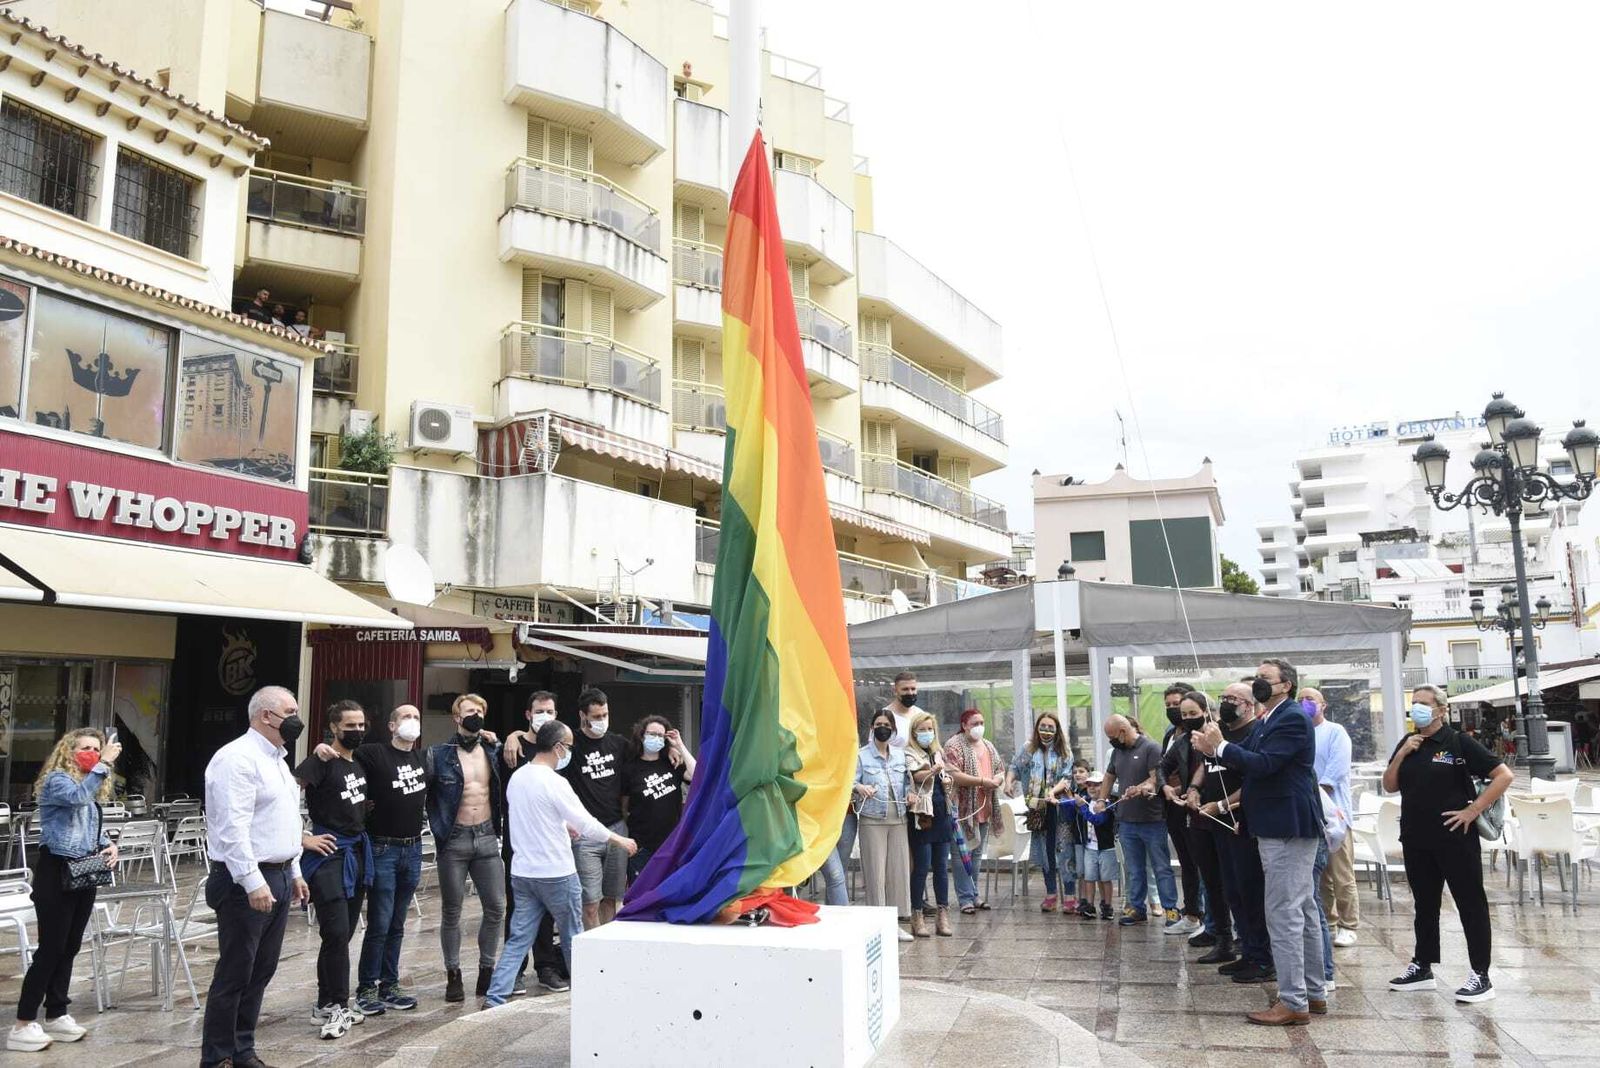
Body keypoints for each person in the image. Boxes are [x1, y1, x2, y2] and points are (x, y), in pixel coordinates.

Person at [1193, 659, 1325, 1026]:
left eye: (1265, 679)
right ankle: (1313, 993)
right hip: (1273, 823)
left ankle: (1294, 1000)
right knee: (1304, 910)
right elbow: (1252, 768)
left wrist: (1219, 747)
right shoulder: (1271, 718)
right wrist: (1213, 748)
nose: (1258, 683)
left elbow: (1264, 765)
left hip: (1287, 826)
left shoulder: (1291, 718)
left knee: (1283, 912)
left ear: (1286, 685)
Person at [485, 721, 638, 1008]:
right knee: (572, 936)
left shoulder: (518, 778)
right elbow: (586, 823)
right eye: (568, 747)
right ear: (557, 747)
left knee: (518, 939)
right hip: (556, 873)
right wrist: (619, 840)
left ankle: (495, 997)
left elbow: (533, 816)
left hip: (524, 873)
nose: (568, 752)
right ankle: (588, 996)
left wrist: (562, 825)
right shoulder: (556, 782)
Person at [201, 686, 311, 1068]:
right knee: (235, 972)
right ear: (266, 715)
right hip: (243, 878)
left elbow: (283, 823)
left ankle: (242, 1048)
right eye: (290, 710)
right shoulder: (237, 758)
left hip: (278, 873)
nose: (297, 717)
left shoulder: (278, 759)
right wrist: (252, 881)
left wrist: (294, 869)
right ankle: (217, 1056)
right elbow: (232, 828)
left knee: (261, 970)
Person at [1382, 684, 1512, 1003]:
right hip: (1416, 836)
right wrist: (1401, 754)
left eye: (1424, 704)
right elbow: (1388, 785)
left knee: (1470, 904)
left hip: (1455, 838)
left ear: (1441, 710)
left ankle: (1480, 974)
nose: (1417, 710)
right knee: (1425, 905)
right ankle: (1422, 966)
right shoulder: (1408, 742)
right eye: (1413, 704)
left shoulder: (1458, 742)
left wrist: (1473, 810)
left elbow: (1504, 776)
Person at [8, 729, 120, 1053]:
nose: (92, 753)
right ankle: (23, 1021)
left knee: (70, 946)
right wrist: (104, 766)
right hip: (56, 872)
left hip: (83, 873)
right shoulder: (59, 781)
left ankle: (57, 1012)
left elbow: (89, 825)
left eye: (96, 749)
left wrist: (108, 845)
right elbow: (76, 799)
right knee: (51, 948)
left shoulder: (91, 785)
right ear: (68, 752)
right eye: (84, 748)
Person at [296, 701, 372, 1039]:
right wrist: (301, 837)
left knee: (341, 934)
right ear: (333, 727)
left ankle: (325, 1000)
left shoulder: (359, 763)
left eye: (361, 725)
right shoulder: (323, 761)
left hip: (357, 853)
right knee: (338, 931)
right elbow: (284, 790)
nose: (356, 730)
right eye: (349, 726)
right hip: (329, 855)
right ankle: (340, 1005)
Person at [425, 693, 505, 1004]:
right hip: (454, 837)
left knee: (497, 907)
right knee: (452, 911)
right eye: (469, 711)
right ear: (457, 718)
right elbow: (424, 792)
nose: (476, 715)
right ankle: (453, 973)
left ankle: (487, 969)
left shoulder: (492, 750)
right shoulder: (439, 754)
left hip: (486, 836)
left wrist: (502, 741)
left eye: (480, 711)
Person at [353, 704, 426, 1015]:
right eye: (405, 717)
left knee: (398, 922)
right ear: (392, 726)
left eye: (416, 717)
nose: (412, 722)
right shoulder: (373, 753)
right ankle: (367, 987)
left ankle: (390, 984)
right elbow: (343, 756)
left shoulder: (423, 758)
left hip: (413, 847)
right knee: (379, 923)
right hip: (384, 847)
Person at [501, 692, 569, 994]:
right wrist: (511, 736)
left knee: (549, 911)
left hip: (554, 843)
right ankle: (514, 972)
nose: (546, 715)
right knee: (517, 908)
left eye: (551, 710)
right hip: (520, 843)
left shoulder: (561, 748)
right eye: (540, 710)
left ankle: (546, 968)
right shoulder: (514, 747)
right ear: (528, 714)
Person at [1166, 692, 1236, 967]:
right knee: (1211, 881)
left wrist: (1219, 805)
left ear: (1207, 710)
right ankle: (1222, 937)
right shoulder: (1186, 740)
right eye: (1182, 714)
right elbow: (1203, 767)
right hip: (1198, 818)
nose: (1186, 718)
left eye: (1191, 712)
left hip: (1227, 817)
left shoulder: (1224, 735)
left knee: (1233, 883)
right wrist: (1192, 789)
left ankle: (1245, 941)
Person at [1099, 715, 1180, 928]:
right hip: (1126, 820)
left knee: (1161, 867)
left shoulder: (1151, 748)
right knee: (1134, 869)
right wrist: (1101, 799)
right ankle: (1136, 908)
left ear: (1124, 731)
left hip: (1152, 819)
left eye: (1112, 736)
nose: (1111, 741)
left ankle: (1171, 909)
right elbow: (1109, 776)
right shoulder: (1118, 751)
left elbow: (1157, 777)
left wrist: (1142, 786)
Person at [562, 688, 631, 929]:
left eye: (605, 715)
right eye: (596, 716)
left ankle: (607, 954)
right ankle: (591, 954)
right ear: (583, 716)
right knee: (589, 901)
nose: (601, 720)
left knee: (612, 898)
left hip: (615, 829)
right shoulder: (571, 746)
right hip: (585, 833)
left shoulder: (618, 744)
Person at [1302, 687, 1357, 950]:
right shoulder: (1300, 733)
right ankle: (1329, 921)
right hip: (1310, 816)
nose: (1305, 703)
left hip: (1335, 814)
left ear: (1323, 705)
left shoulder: (1336, 732)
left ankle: (1349, 925)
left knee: (1341, 873)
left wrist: (1311, 795)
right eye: (1300, 699)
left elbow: (1333, 774)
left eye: (1310, 699)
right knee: (1321, 875)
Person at [853, 710, 913, 942]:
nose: (882, 728)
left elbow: (908, 784)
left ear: (894, 730)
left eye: (886, 724)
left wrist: (911, 796)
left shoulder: (900, 755)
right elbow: (850, 780)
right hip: (872, 820)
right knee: (875, 873)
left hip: (898, 819)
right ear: (871, 728)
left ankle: (896, 924)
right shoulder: (861, 756)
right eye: (878, 724)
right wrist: (859, 788)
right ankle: (877, 926)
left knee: (898, 872)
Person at [1003, 712, 1072, 912]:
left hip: (1059, 807)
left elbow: (1067, 777)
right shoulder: (1028, 748)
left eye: (1051, 727)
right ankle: (1051, 894)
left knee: (1064, 848)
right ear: (1036, 728)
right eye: (1043, 726)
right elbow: (1015, 767)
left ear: (1057, 729)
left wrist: (1053, 791)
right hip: (1036, 807)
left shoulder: (1064, 751)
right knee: (1045, 851)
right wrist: (1009, 781)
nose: (1046, 731)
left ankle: (1070, 895)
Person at [942, 708, 1004, 914]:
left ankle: (974, 893)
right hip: (962, 809)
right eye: (975, 723)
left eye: (982, 723)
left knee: (977, 854)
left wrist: (997, 780)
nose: (979, 727)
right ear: (964, 725)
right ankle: (965, 898)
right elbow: (954, 774)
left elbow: (1000, 769)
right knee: (961, 855)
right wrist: (981, 781)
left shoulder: (988, 745)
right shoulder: (954, 745)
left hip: (984, 808)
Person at [620, 715, 696, 880]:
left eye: (661, 735)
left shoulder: (672, 762)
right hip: (642, 847)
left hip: (672, 844)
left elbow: (699, 775)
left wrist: (679, 745)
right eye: (652, 734)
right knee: (640, 895)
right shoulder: (630, 769)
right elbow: (624, 808)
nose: (656, 738)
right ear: (642, 735)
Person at [1158, 683, 1205, 937]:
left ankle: (1213, 920)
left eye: (1184, 709)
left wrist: (1192, 788)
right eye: (1171, 707)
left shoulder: (1212, 736)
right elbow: (1163, 766)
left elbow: (1207, 768)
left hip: (1206, 809)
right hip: (1177, 808)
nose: (1177, 713)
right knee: (1187, 862)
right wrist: (1165, 787)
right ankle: (1192, 914)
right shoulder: (1176, 737)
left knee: (1206, 864)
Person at [904, 712, 955, 937]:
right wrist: (931, 771)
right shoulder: (909, 752)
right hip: (922, 815)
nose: (926, 733)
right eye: (922, 730)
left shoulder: (938, 752)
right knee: (922, 867)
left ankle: (943, 914)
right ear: (914, 732)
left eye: (930, 729)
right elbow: (915, 777)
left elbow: (944, 776)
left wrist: (947, 780)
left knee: (942, 868)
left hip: (941, 811)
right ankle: (917, 915)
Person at [884, 671, 920, 748]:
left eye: (913, 689)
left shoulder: (920, 714)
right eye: (905, 689)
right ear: (895, 691)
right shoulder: (883, 717)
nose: (910, 693)